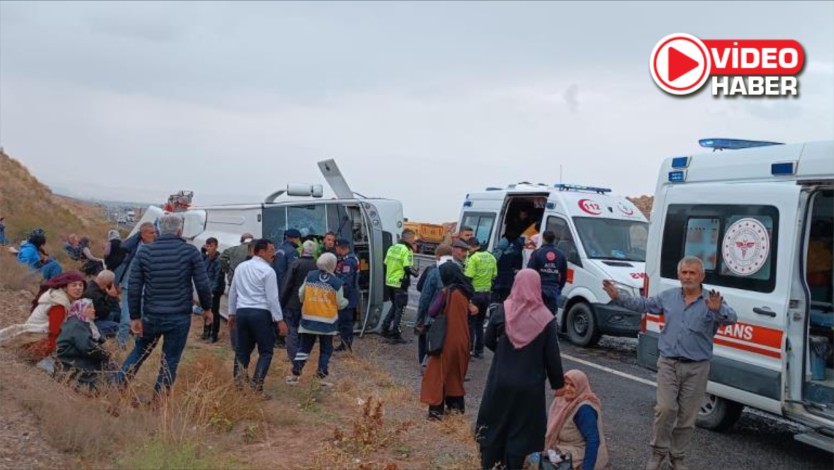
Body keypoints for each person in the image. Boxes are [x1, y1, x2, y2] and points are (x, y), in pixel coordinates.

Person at [603, 256, 737, 470]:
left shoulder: (712, 300)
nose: (688, 277)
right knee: (665, 409)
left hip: (697, 367)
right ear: (678, 275)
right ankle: (657, 454)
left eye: (692, 273)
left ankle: (677, 457)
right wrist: (619, 296)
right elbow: (644, 304)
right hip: (668, 363)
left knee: (687, 417)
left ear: (701, 276)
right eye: (684, 273)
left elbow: (731, 318)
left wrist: (717, 310)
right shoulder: (668, 297)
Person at [476, 269, 564, 470]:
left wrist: (505, 353)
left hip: (501, 381)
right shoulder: (546, 318)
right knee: (521, 434)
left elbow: (489, 340)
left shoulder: (503, 310)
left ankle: (490, 465)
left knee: (495, 428)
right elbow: (552, 356)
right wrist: (558, 384)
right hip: (529, 387)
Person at [118, 214, 213, 397]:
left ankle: (117, 386)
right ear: (180, 230)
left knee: (139, 351)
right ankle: (158, 401)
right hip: (179, 316)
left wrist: (135, 317)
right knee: (170, 359)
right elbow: (202, 284)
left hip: (151, 314)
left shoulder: (145, 252)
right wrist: (207, 309)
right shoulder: (190, 252)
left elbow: (135, 287)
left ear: (159, 230)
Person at [228, 239, 288, 394]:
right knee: (266, 351)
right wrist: (279, 320)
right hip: (261, 313)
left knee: (242, 350)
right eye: (271, 250)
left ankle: (238, 385)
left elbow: (233, 292)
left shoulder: (241, 267)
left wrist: (231, 313)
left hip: (242, 312)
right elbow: (272, 298)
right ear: (261, 251)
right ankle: (257, 385)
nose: (273, 254)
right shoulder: (268, 271)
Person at [420, 262, 472, 420]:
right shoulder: (465, 291)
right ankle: (456, 408)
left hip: (446, 338)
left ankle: (436, 411)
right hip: (462, 337)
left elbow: (433, 311)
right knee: (455, 374)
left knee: (437, 373)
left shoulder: (447, 292)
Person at [288, 252, 348, 386]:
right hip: (328, 322)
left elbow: (301, 293)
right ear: (333, 264)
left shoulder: (310, 276)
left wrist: (306, 301)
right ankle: (321, 374)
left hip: (308, 320)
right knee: (326, 349)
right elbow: (339, 303)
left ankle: (295, 373)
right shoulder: (336, 282)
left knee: (304, 347)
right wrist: (346, 303)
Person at [0, 272, 86, 362]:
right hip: (35, 339)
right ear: (65, 287)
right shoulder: (59, 305)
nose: (78, 288)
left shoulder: (61, 298)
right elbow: (55, 332)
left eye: (81, 285)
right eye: (74, 285)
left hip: (34, 335)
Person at [545, 369, 610, 470]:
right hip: (564, 449)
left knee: (541, 464)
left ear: (580, 386)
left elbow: (593, 440)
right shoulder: (562, 401)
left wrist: (587, 468)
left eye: (572, 385)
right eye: (565, 384)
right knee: (530, 458)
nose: (567, 388)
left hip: (579, 455)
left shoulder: (584, 409)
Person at [55, 299, 114, 394]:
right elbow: (88, 348)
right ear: (80, 309)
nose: (93, 310)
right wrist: (107, 354)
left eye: (93, 307)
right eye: (89, 307)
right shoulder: (77, 325)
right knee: (108, 380)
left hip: (70, 361)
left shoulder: (77, 322)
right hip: (71, 364)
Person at [114, 222, 156, 349]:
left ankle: (138, 345)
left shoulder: (156, 248)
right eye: (151, 233)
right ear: (142, 234)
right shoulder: (132, 248)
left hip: (147, 289)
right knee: (126, 318)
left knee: (142, 320)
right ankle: (121, 344)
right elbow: (122, 265)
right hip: (129, 286)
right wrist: (116, 283)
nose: (154, 235)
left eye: (154, 232)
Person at [414, 244, 454, 368]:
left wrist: (419, 319)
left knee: (428, 340)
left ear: (437, 256)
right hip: (450, 315)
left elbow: (424, 298)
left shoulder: (434, 271)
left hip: (433, 315)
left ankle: (425, 364)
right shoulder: (458, 269)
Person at [280, 240, 319, 363]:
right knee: (305, 331)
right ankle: (302, 355)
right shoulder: (317, 265)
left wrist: (281, 301)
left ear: (302, 251)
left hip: (293, 303)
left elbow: (287, 284)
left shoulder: (296, 264)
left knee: (292, 330)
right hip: (311, 303)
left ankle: (293, 357)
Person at [381, 229, 418, 344]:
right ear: (410, 238)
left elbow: (385, 263)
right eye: (413, 238)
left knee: (395, 306)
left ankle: (385, 327)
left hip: (390, 282)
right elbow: (407, 267)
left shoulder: (393, 247)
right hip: (400, 283)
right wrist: (416, 273)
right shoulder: (407, 250)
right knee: (400, 309)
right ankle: (396, 334)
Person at [464, 238, 497, 359]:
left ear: (471, 246)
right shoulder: (491, 256)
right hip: (486, 294)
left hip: (475, 294)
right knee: (480, 323)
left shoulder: (473, 258)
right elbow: (494, 275)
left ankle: (469, 349)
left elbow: (468, 277)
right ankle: (479, 350)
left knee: (470, 323)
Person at [527, 230, 568, 315]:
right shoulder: (561, 254)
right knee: (549, 316)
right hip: (553, 290)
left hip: (539, 289)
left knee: (537, 315)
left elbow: (529, 272)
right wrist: (559, 288)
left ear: (543, 239)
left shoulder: (537, 253)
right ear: (554, 240)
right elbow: (564, 275)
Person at [334, 238, 359, 352]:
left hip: (347, 296)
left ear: (341, 247)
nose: (336, 249)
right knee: (344, 321)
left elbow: (346, 282)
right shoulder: (348, 259)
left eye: (337, 247)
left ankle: (346, 344)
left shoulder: (348, 261)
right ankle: (345, 343)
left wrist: (339, 295)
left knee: (346, 322)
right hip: (347, 296)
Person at [200, 237, 226, 343]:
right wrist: (202, 251)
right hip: (206, 288)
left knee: (214, 311)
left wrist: (212, 291)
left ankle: (214, 334)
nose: (209, 248)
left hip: (215, 289)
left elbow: (218, 277)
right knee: (206, 310)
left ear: (216, 246)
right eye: (208, 246)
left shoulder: (219, 260)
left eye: (211, 246)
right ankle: (206, 331)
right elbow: (200, 264)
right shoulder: (206, 258)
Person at [82, 270, 121, 338]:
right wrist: (112, 297)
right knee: (120, 327)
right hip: (93, 322)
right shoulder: (94, 293)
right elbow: (103, 313)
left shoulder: (92, 285)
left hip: (97, 317)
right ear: (109, 283)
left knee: (118, 314)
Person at [492, 233, 524, 304]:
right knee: (505, 301)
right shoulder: (514, 253)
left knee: (494, 301)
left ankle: (494, 313)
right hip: (508, 282)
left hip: (497, 281)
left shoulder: (495, 254)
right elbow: (517, 268)